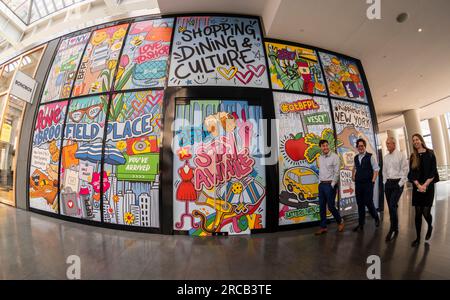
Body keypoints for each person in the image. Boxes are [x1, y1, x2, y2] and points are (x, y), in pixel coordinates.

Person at [408, 133, 438, 247]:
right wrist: (418, 185)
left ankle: (430, 226)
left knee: (426, 213)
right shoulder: (413, 156)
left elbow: (433, 171)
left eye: (417, 139)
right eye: (413, 140)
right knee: (417, 214)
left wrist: (425, 185)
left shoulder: (430, 153)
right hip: (417, 187)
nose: (415, 141)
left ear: (421, 140)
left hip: (428, 187)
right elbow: (411, 173)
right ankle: (418, 238)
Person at [315, 139, 345, 235]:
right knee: (322, 207)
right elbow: (321, 171)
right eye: (323, 146)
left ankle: (340, 221)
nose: (325, 147)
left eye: (326, 145)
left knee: (331, 206)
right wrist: (320, 182)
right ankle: (323, 227)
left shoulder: (335, 157)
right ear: (321, 147)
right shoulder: (320, 157)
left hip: (330, 185)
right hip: (322, 185)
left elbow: (337, 173)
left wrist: (332, 185)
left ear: (328, 146)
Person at [382, 137, 409, 241]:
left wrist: (400, 184)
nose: (387, 145)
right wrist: (384, 182)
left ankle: (392, 229)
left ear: (394, 144)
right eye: (386, 143)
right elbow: (384, 171)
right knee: (391, 207)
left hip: (397, 184)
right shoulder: (385, 157)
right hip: (388, 184)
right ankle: (396, 226)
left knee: (392, 205)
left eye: (389, 143)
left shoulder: (401, 155)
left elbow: (405, 170)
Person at [352, 138, 380, 232]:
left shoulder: (370, 156)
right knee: (360, 204)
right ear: (357, 147)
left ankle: (376, 217)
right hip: (358, 184)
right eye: (358, 146)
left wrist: (372, 181)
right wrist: (353, 175)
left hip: (368, 183)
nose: (360, 147)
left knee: (368, 202)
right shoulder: (356, 157)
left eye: (362, 146)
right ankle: (361, 224)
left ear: (364, 146)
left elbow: (376, 169)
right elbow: (354, 167)